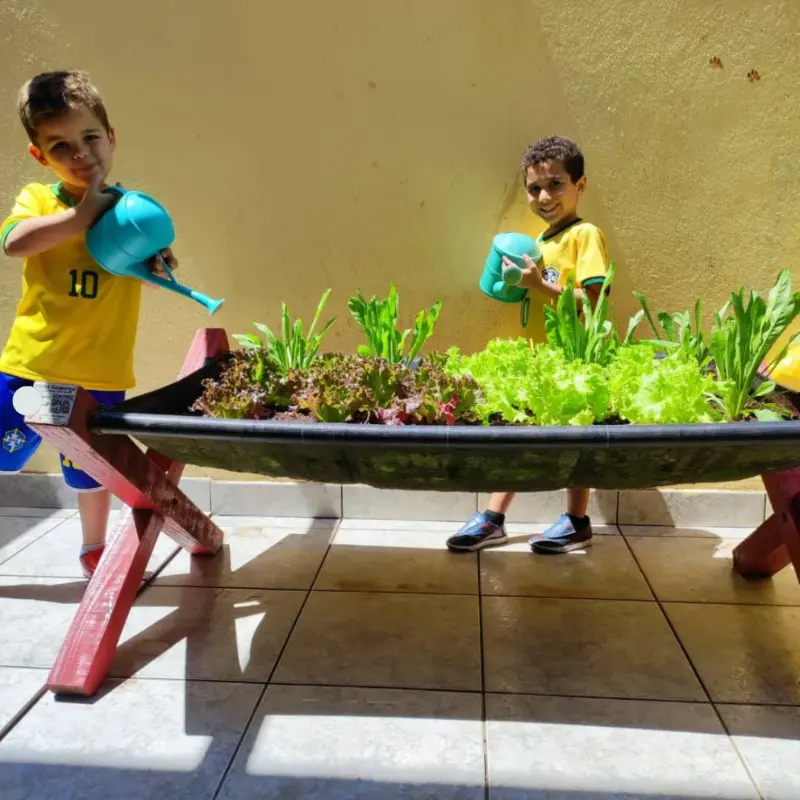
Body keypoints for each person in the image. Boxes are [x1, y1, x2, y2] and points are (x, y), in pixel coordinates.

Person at [0, 70, 176, 578]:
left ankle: (92, 547)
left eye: (90, 138)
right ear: (40, 156)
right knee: (3, 453)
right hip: (31, 367)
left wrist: (159, 266)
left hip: (96, 375)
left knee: (91, 473)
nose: (81, 154)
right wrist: (78, 219)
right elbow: (13, 243)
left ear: (111, 137)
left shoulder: (130, 213)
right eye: (61, 146)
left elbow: (147, 276)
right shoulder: (40, 201)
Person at [447, 135, 611, 555]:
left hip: (574, 358)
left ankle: (576, 521)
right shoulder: (540, 243)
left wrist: (537, 283)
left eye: (556, 184)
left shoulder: (585, 235)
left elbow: (594, 301)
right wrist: (519, 285)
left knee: (576, 440)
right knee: (517, 434)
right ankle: (494, 518)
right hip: (540, 354)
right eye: (535, 188)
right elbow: (539, 291)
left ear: (580, 185)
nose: (544, 196)